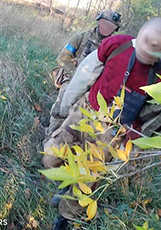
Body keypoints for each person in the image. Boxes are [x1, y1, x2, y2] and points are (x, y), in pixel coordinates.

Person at [44, 17, 161, 230]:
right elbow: (86, 71)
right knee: (51, 157)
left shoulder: (160, 77)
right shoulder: (118, 45)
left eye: (155, 48)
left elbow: (153, 117)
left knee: (87, 181)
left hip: (112, 134)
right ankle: (66, 178)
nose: (148, 49)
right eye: (146, 42)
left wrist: (127, 145)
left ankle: (64, 218)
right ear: (139, 35)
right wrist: (65, 104)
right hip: (85, 113)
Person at [46, 9, 121, 139]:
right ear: (99, 22)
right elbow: (63, 57)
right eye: (105, 24)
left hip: (94, 87)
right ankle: (49, 138)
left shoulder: (113, 48)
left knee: (85, 121)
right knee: (61, 108)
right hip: (73, 79)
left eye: (111, 27)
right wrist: (77, 74)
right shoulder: (80, 37)